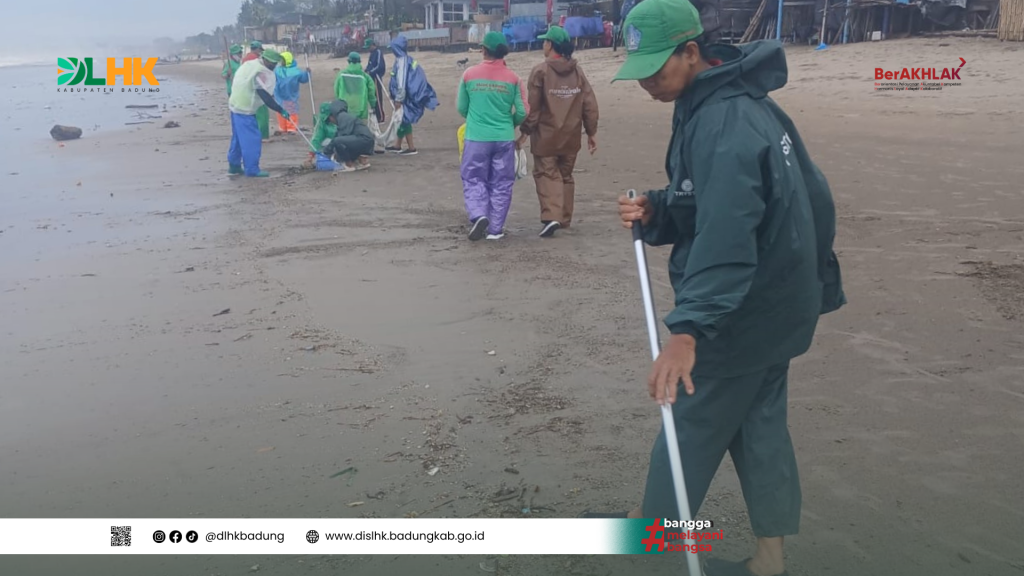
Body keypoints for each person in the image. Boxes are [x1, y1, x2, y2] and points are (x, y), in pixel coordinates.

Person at [607, 0, 846, 575]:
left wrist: (689, 330)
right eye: (637, 71)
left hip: (739, 316)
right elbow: (724, 198)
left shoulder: (724, 120)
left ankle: (658, 558)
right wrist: (659, 209)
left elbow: (727, 233)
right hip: (778, 308)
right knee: (759, 429)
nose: (645, 83)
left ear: (692, 52)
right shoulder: (732, 101)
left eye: (655, 69)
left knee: (683, 430)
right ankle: (770, 558)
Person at [518, 26, 598, 238]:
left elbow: (533, 108)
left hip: (546, 136)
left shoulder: (540, 71)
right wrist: (591, 132)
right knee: (566, 175)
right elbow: (589, 103)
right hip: (571, 136)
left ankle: (551, 216)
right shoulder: (578, 72)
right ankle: (563, 217)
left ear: (551, 45)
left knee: (546, 173)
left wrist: (525, 132)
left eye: (545, 41)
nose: (543, 44)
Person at [457, 31, 527, 242]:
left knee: (473, 177)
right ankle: (496, 229)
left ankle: (479, 214)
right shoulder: (514, 78)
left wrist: (477, 117)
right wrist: (510, 123)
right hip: (503, 137)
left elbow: (461, 107)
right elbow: (523, 111)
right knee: (502, 182)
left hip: (476, 136)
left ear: (484, 50)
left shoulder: (469, 74)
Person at [227, 49, 291, 177]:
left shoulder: (251, 65)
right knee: (252, 140)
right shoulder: (258, 73)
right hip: (245, 110)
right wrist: (280, 109)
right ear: (265, 60)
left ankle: (234, 166)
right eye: (272, 63)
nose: (274, 66)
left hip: (235, 106)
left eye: (275, 64)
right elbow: (265, 97)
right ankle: (251, 169)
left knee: (238, 138)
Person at [388, 35, 439, 156]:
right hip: (407, 96)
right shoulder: (407, 59)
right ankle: (398, 145)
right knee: (402, 120)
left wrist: (398, 99)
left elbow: (401, 82)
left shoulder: (402, 62)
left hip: (404, 97)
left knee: (403, 120)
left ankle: (411, 148)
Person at [308, 100, 375, 172]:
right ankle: (362, 161)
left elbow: (340, 138)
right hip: (367, 141)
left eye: (328, 120)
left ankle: (349, 165)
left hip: (363, 141)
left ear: (332, 115)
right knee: (339, 141)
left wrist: (327, 153)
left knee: (338, 141)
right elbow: (318, 137)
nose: (329, 122)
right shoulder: (344, 116)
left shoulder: (342, 118)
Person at [334, 52, 377, 123]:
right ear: (359, 62)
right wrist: (373, 105)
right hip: (360, 109)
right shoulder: (365, 76)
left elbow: (336, 90)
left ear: (348, 61)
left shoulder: (341, 75)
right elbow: (371, 92)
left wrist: (338, 102)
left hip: (345, 108)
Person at [273, 51, 310, 134]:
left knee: (291, 111)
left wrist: (307, 73)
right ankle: (283, 127)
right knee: (280, 111)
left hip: (290, 95)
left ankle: (291, 128)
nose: (281, 62)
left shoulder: (296, 71)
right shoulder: (277, 70)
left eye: (282, 60)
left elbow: (303, 79)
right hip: (279, 95)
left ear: (287, 60)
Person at [242, 42, 271, 141]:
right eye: (260, 50)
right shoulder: (256, 60)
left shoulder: (245, 58)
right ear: (257, 49)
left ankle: (252, 134)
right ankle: (263, 136)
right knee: (262, 114)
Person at [364, 38, 387, 124]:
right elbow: (369, 65)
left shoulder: (378, 52)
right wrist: (366, 70)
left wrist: (371, 72)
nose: (368, 49)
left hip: (376, 78)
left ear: (372, 45)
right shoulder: (372, 54)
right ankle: (376, 115)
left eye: (368, 47)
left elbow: (379, 66)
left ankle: (381, 117)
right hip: (371, 78)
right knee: (372, 97)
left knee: (378, 97)